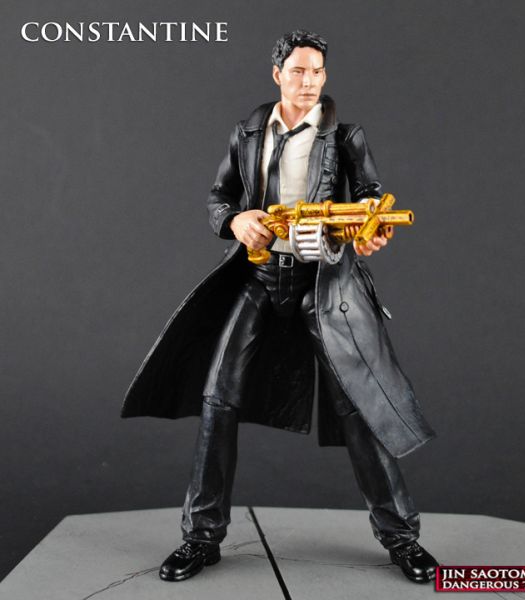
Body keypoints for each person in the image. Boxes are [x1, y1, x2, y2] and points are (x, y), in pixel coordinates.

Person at [122, 29, 438, 584]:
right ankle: (201, 536)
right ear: (277, 74)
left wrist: (367, 229)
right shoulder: (248, 133)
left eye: (317, 71)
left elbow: (369, 196)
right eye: (298, 71)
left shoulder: (345, 137)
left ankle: (402, 537)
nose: (309, 81)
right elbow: (219, 197)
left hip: (326, 283)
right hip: (260, 274)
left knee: (359, 404)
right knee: (218, 397)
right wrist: (236, 221)